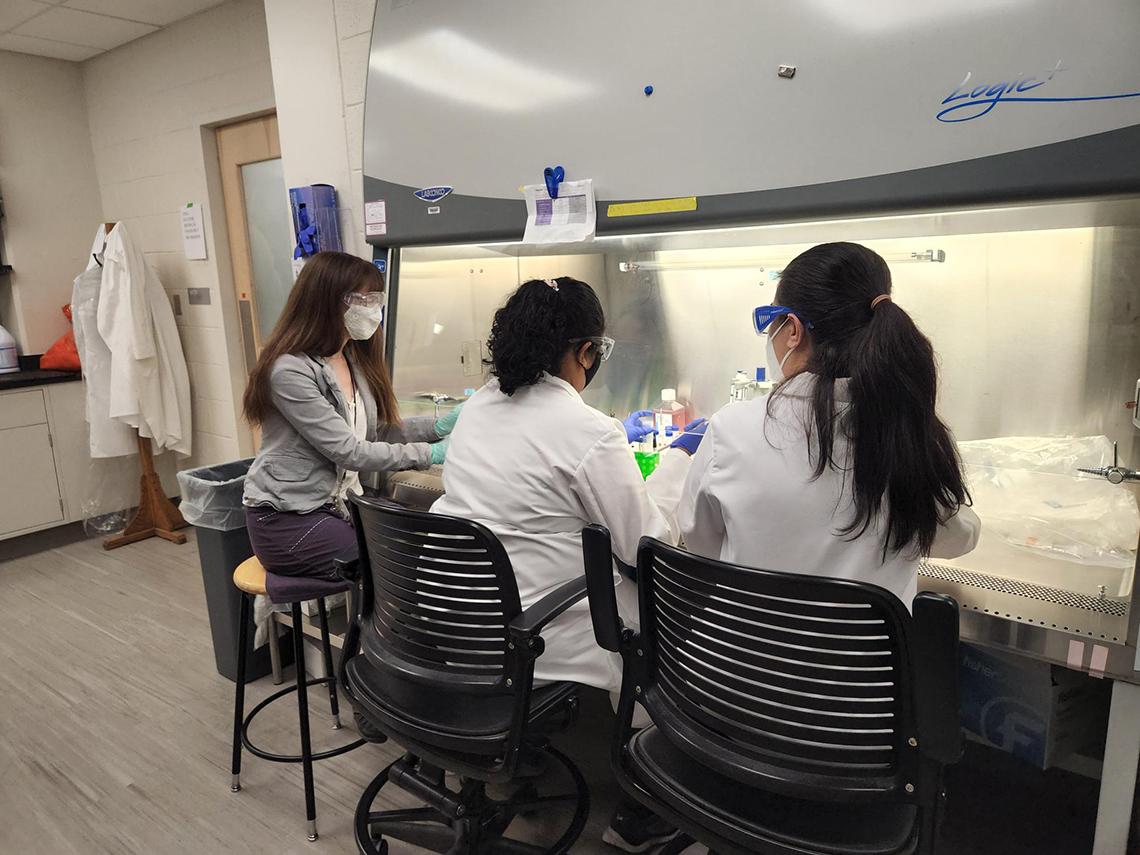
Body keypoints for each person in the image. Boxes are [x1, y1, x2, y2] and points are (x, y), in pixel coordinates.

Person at [431, 276, 702, 853]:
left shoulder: (480, 406)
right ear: (584, 352)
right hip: (533, 632)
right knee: (652, 625)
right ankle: (648, 804)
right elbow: (646, 547)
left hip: (459, 620)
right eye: (595, 354)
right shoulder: (587, 431)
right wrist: (678, 461)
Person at [680, 242, 980, 605]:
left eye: (770, 323)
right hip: (864, 662)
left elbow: (699, 540)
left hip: (746, 658)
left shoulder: (732, 429)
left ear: (792, 329)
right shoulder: (903, 429)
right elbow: (957, 537)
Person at [241, 251, 456, 602]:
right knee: (393, 565)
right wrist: (430, 454)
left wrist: (438, 426)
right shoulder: (290, 371)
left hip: (338, 508)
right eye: (362, 299)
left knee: (418, 547)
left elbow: (375, 433)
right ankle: (373, 651)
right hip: (287, 519)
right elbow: (349, 450)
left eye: (376, 298)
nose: (372, 308)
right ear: (326, 301)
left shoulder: (351, 359)